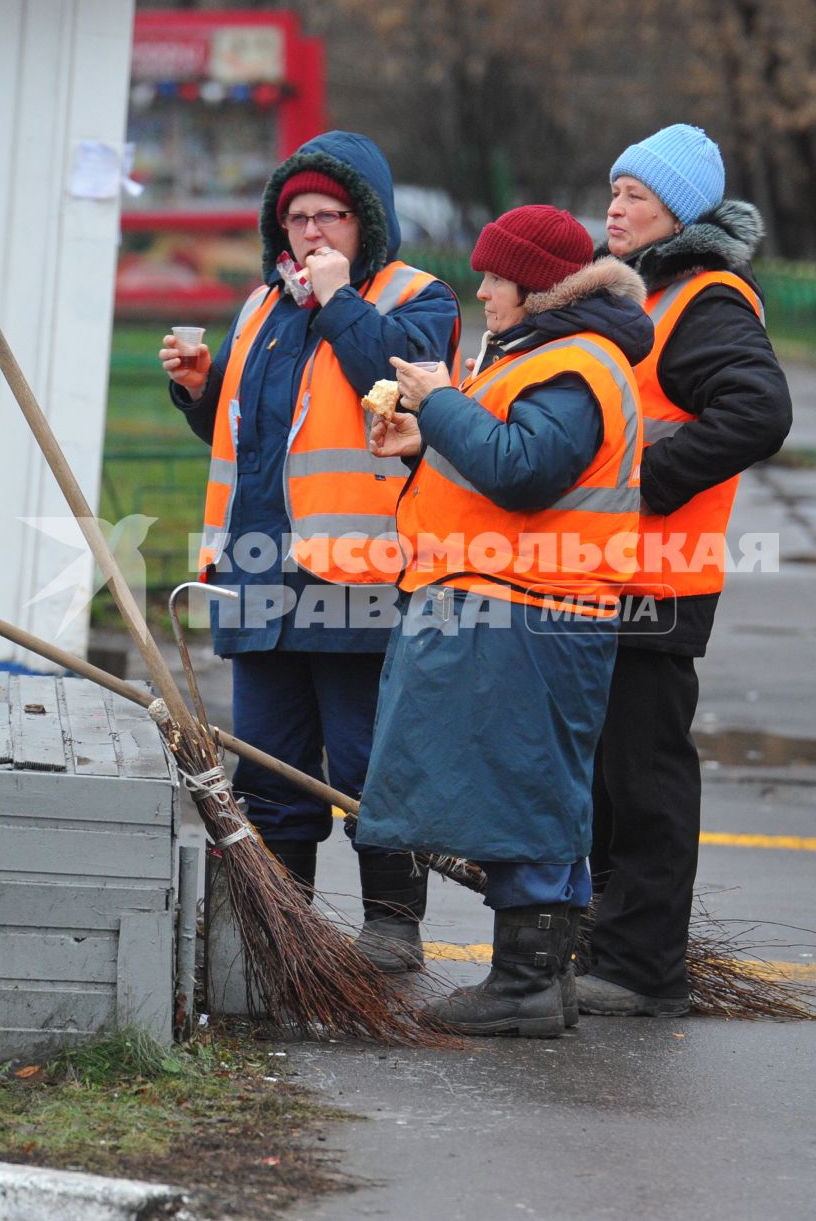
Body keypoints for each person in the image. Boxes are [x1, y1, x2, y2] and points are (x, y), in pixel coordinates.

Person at [162, 131, 460, 971]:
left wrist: (336, 303)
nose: (313, 231)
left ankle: (391, 928)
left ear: (367, 220)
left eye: (331, 213)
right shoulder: (261, 306)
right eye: (297, 216)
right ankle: (279, 930)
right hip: (256, 571)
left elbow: (406, 392)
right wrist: (199, 391)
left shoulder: (419, 297)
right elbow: (258, 439)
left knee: (372, 763)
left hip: (362, 572)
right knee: (270, 765)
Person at [356, 206, 652, 1037]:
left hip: (531, 610)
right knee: (526, 790)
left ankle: (524, 983)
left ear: (536, 287)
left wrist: (443, 400)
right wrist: (426, 440)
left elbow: (523, 472)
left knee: (523, 793)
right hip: (521, 606)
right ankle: (536, 978)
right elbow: (504, 461)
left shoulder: (572, 364)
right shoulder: (554, 356)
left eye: (496, 276)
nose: (483, 290)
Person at [579, 123, 792, 1017]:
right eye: (615, 189)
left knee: (643, 779)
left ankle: (643, 969)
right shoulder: (636, 296)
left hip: (658, 582)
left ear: (681, 212)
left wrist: (650, 484)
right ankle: (610, 945)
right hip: (599, 577)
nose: (615, 207)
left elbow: (759, 410)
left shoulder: (704, 300)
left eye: (636, 195)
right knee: (602, 782)